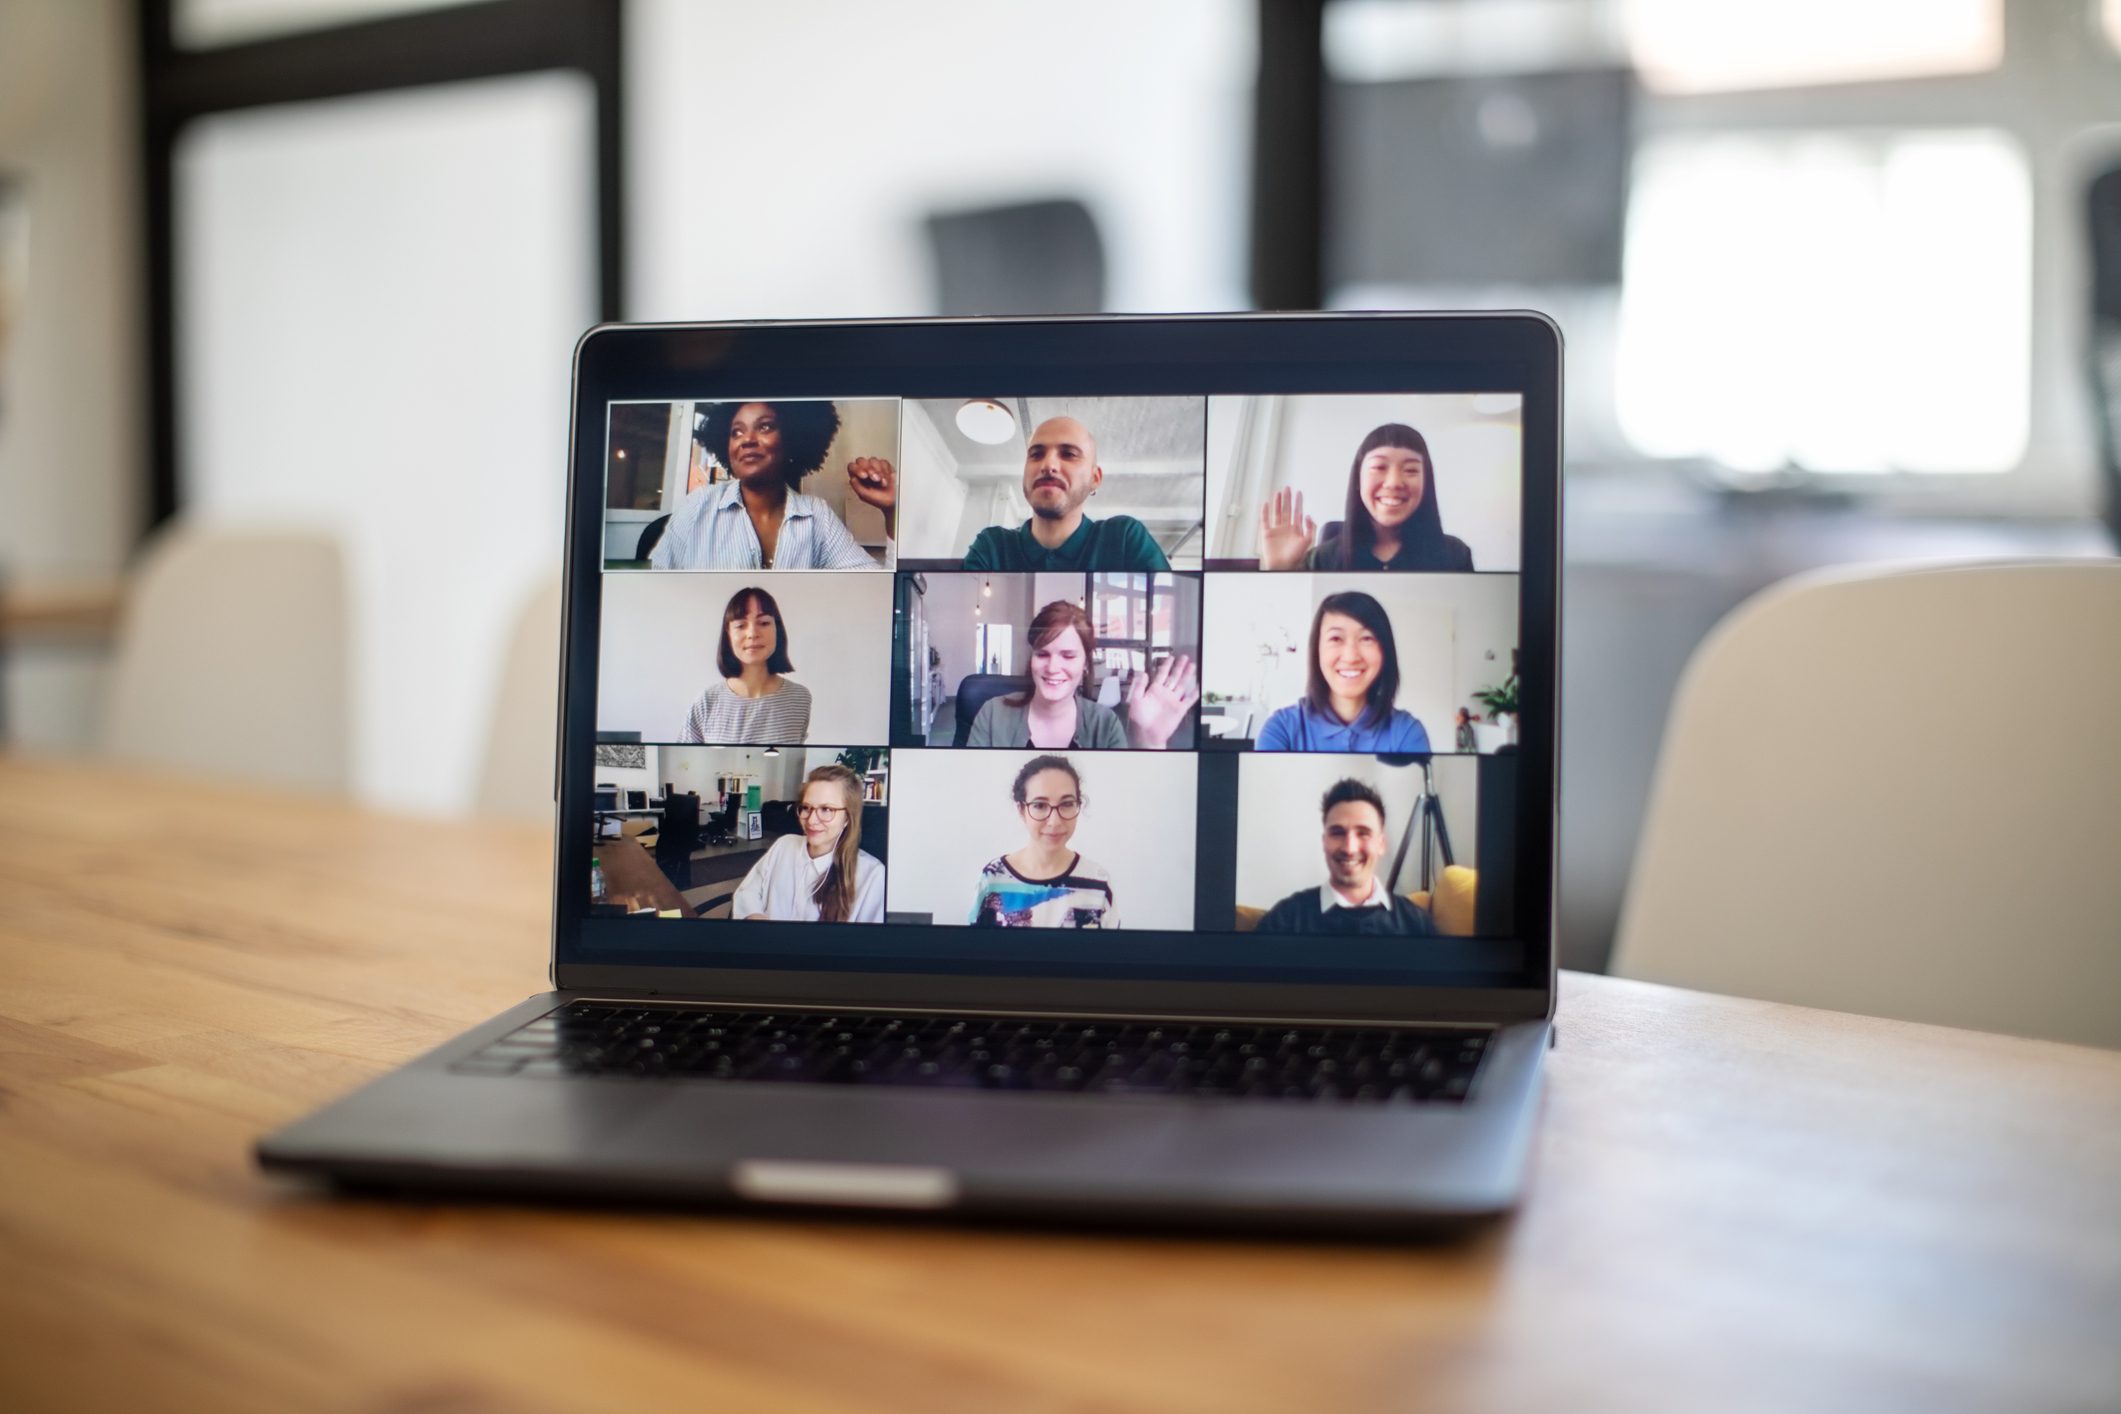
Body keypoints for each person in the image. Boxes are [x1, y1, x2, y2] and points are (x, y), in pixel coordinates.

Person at [650, 400, 896, 570]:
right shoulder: (697, 507)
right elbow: (655, 592)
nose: (746, 440)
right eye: (736, 432)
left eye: (764, 426)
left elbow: (876, 589)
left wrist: (891, 510)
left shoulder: (816, 516)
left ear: (791, 439)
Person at [962, 600, 1197, 749]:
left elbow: (1125, 805)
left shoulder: (1105, 724)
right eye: (1043, 654)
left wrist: (1150, 742)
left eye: (1068, 655)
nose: (1053, 667)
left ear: (1086, 663)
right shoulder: (992, 714)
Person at [1256, 423, 1475, 572]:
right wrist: (1280, 570)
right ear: (1358, 480)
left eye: (1410, 470)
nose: (1393, 482)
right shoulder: (1322, 559)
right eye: (1379, 467)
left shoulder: (1455, 555)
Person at [961, 416, 1170, 571]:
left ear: (1095, 478)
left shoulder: (1124, 538)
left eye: (1069, 454)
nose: (1048, 465)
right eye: (1036, 454)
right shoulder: (993, 546)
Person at [1254, 779, 1436, 936]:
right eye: (1337, 833)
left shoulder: (1416, 923)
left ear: (1381, 844)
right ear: (1324, 842)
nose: (1349, 848)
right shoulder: (1285, 920)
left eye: (1363, 833)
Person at [1254, 591, 1431, 752]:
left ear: (1385, 650)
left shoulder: (1407, 732)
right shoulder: (1281, 729)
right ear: (1317, 650)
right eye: (1336, 638)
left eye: (1367, 638)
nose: (1351, 657)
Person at [968, 755, 1120, 928]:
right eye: (1040, 805)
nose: (1054, 821)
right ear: (1022, 810)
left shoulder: (1099, 882)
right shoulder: (993, 878)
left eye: (1067, 804)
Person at [731, 764, 885, 922]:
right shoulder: (784, 845)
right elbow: (748, 891)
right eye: (806, 807)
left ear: (847, 817)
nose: (811, 820)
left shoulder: (872, 876)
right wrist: (755, 915)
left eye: (826, 809)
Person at [679, 585, 812, 743]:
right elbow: (683, 763)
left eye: (763, 623)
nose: (752, 634)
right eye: (741, 626)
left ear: (777, 629)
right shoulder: (706, 702)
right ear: (728, 634)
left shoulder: (800, 698)